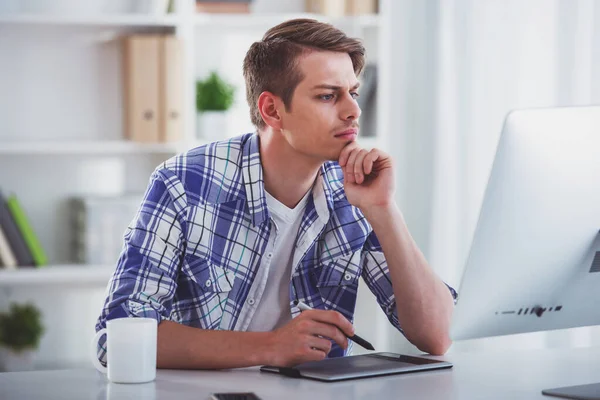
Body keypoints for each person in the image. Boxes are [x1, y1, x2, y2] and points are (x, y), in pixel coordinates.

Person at [95, 18, 457, 370]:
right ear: (272, 110)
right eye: (328, 96)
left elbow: (438, 336)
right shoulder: (184, 182)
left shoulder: (355, 191)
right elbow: (117, 336)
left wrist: (383, 209)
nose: (353, 110)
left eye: (353, 93)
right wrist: (270, 347)